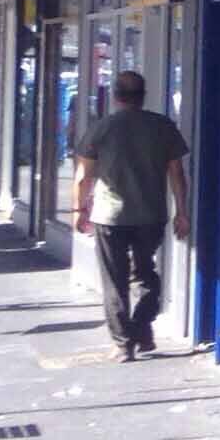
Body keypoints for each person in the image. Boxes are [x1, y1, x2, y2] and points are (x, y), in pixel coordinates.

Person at [72, 70, 190, 362]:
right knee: (146, 274)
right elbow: (177, 172)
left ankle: (125, 343)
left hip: (109, 216)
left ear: (114, 96)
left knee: (115, 280)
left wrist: (78, 209)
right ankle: (142, 327)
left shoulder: (102, 128)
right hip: (151, 214)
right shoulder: (162, 126)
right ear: (143, 95)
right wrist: (182, 212)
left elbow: (83, 175)